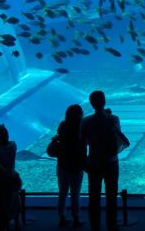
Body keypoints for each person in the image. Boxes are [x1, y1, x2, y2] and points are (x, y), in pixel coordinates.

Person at [80, 90, 127, 231]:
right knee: (111, 195)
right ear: (104, 101)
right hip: (111, 161)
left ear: (91, 103)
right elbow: (118, 139)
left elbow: (82, 143)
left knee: (94, 196)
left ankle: (95, 226)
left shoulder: (86, 121)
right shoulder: (113, 119)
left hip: (93, 161)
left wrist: (84, 163)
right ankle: (111, 225)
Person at [53, 104, 87, 228]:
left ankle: (61, 217)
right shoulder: (81, 127)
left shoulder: (63, 125)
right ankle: (76, 218)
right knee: (75, 194)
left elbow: (58, 138)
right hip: (77, 166)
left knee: (62, 193)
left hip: (62, 165)